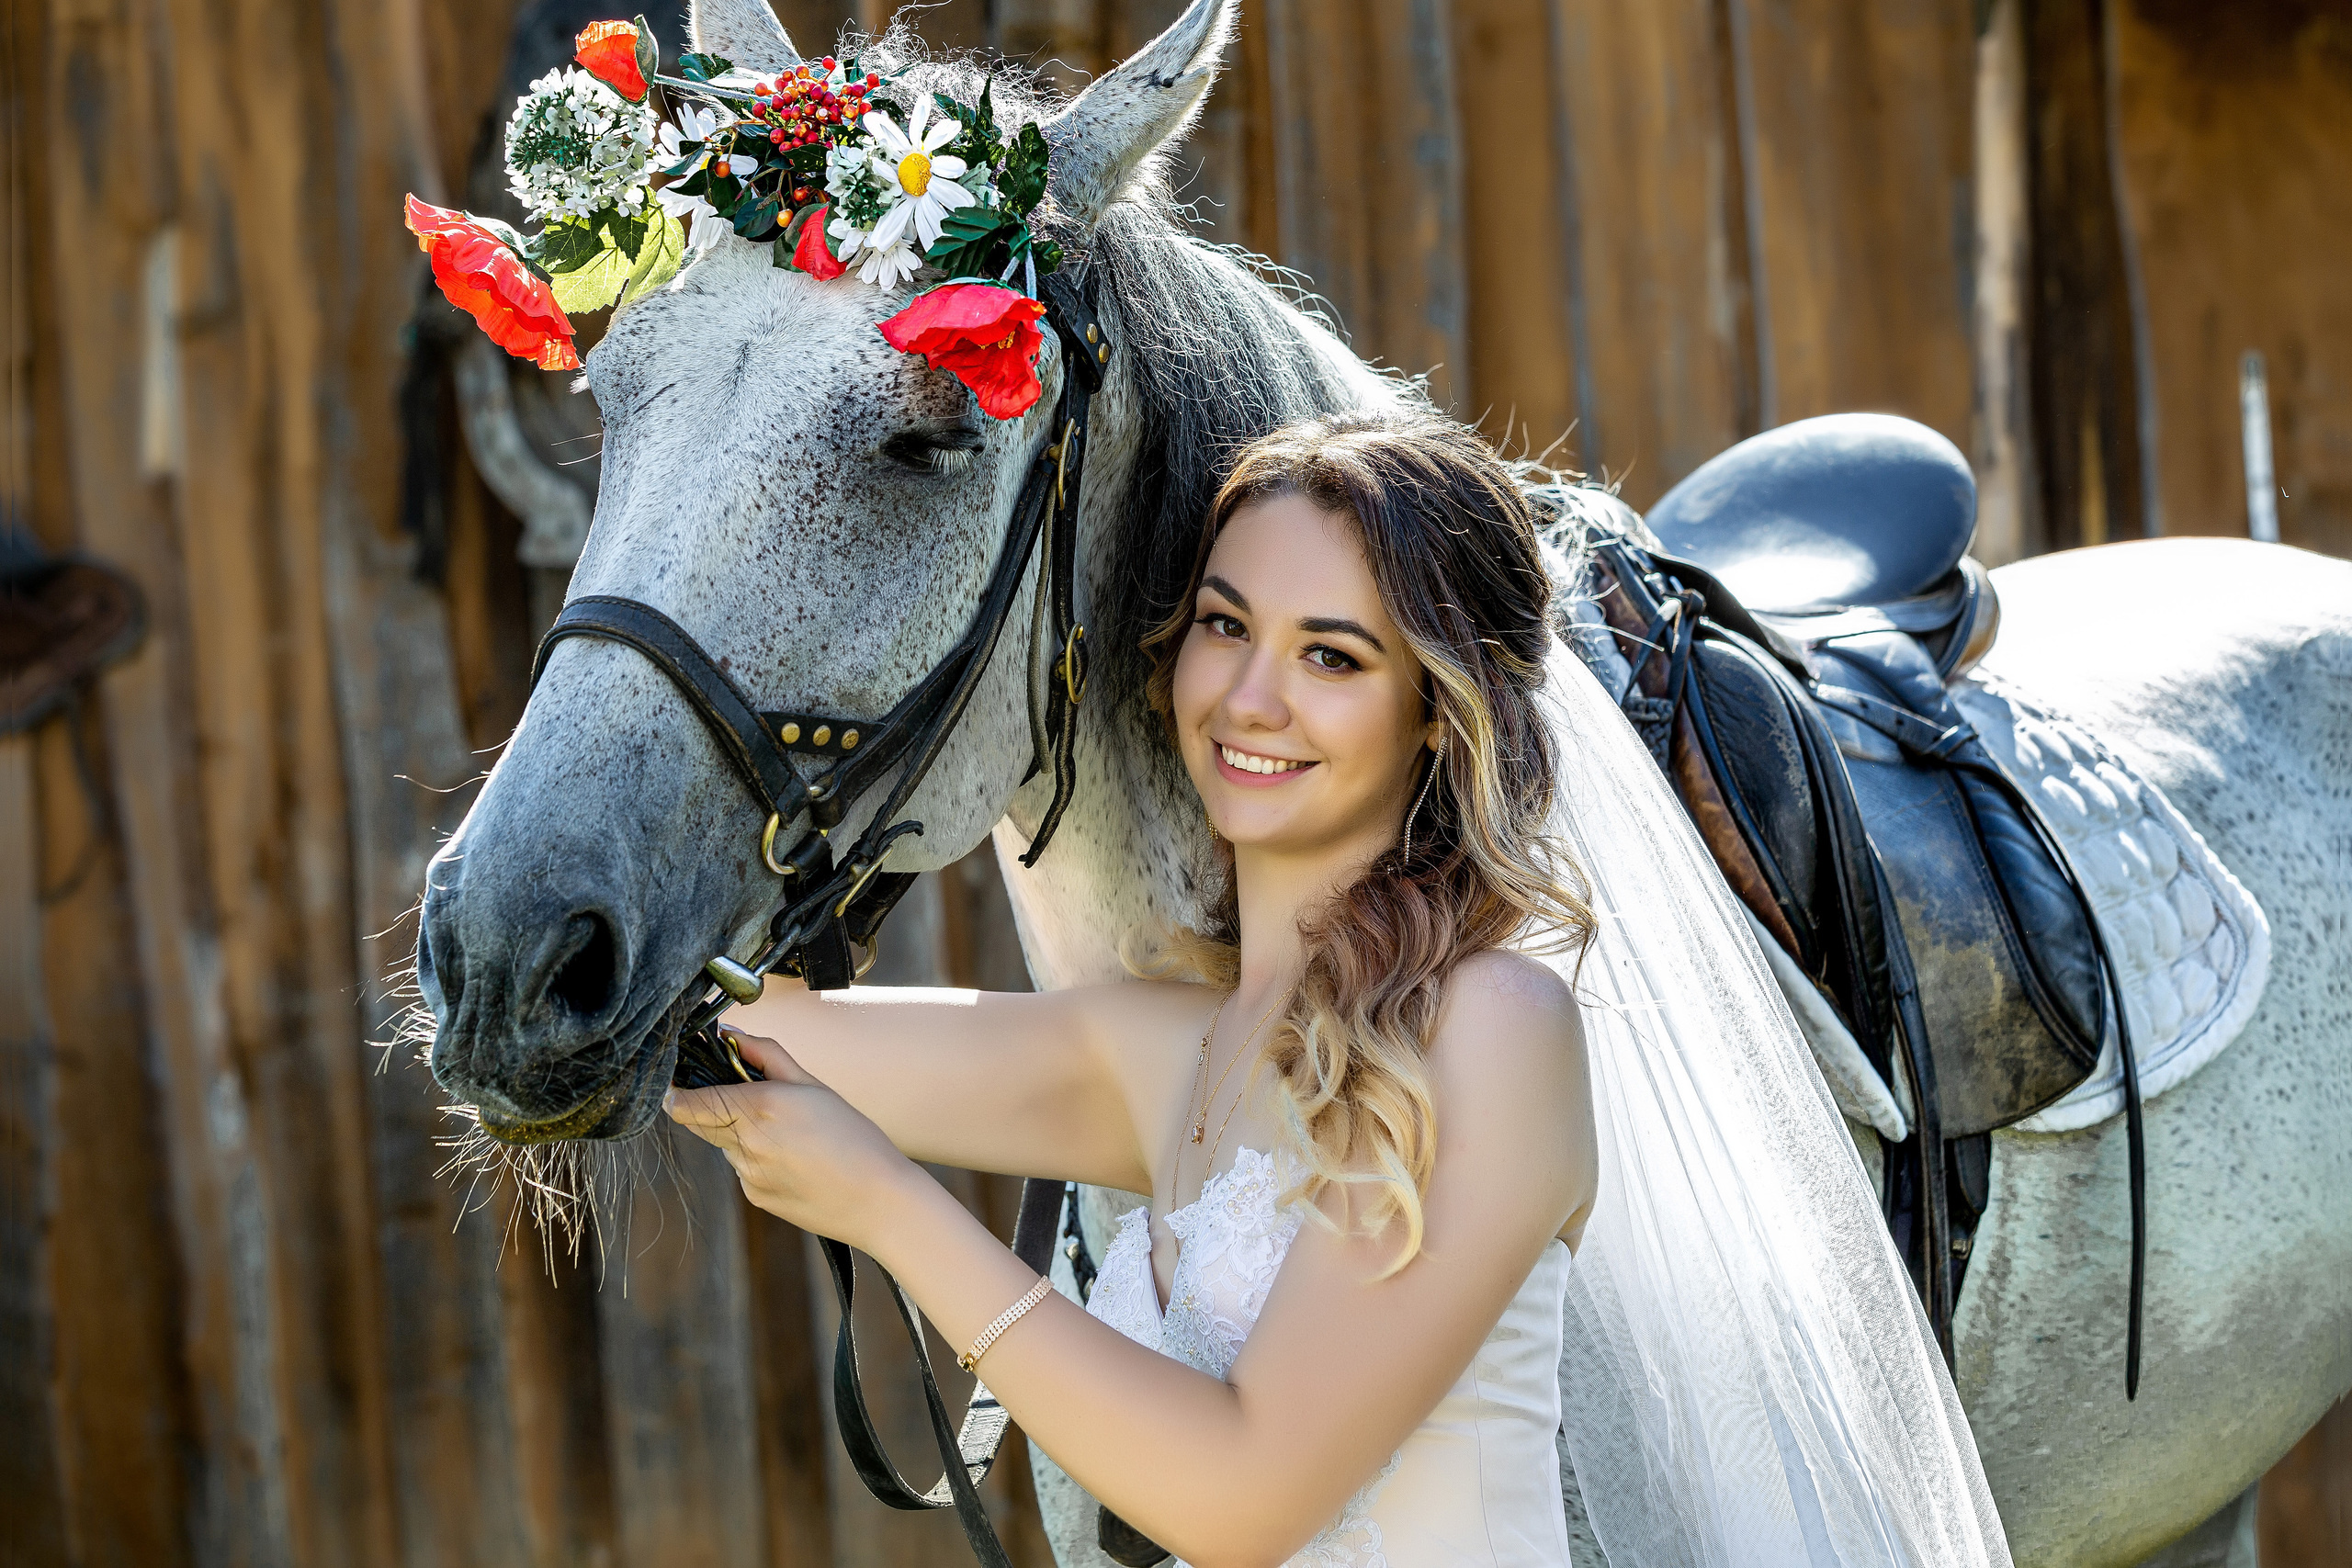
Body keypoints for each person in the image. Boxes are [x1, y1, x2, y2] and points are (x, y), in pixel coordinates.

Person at [668, 412, 2012, 1567]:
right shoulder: (1171, 1045)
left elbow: (1248, 1493)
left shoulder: (1489, 1028)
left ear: (1437, 708)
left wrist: (893, 1210)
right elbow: (735, 1033)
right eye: (1224, 627)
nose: (1251, 698)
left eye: (1332, 656)